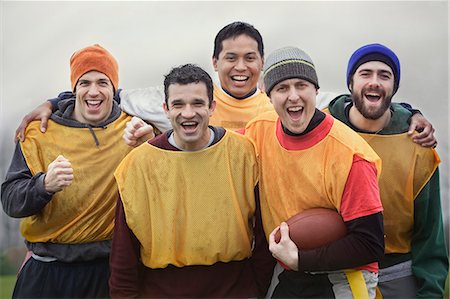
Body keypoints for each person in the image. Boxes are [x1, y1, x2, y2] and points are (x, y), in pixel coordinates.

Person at [15, 21, 436, 148]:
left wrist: (411, 113)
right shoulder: (187, 104)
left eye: (250, 58)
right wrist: (58, 100)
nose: (240, 67)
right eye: (230, 58)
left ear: (262, 64)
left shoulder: (284, 101)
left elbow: (358, 99)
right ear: (214, 62)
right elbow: (106, 92)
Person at [109, 64, 274, 298]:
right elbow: (124, 252)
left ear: (212, 107)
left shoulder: (244, 154)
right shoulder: (137, 165)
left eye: (197, 103)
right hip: (162, 290)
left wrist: (254, 288)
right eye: (178, 104)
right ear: (165, 109)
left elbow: (262, 232)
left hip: (235, 289)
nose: (188, 113)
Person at [0, 44, 143, 298]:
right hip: (48, 270)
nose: (94, 91)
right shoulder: (38, 132)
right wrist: (43, 186)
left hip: (106, 270)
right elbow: (10, 202)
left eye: (103, 82)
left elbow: (178, 106)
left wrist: (150, 132)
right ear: (73, 88)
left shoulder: (133, 125)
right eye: (85, 83)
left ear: (115, 89)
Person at [244, 46, 385, 298]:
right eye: (282, 88)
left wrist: (301, 259)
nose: (293, 96)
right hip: (290, 267)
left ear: (316, 90)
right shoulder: (259, 130)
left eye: (301, 85)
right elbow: (217, 148)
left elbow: (370, 244)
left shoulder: (350, 155)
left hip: (346, 274)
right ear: (268, 95)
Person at [325, 43, 448, 298]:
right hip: (335, 271)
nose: (375, 82)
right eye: (365, 73)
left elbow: (430, 234)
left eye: (384, 75)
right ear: (350, 84)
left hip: (397, 272)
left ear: (394, 87)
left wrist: (431, 291)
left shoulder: (418, 145)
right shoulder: (324, 130)